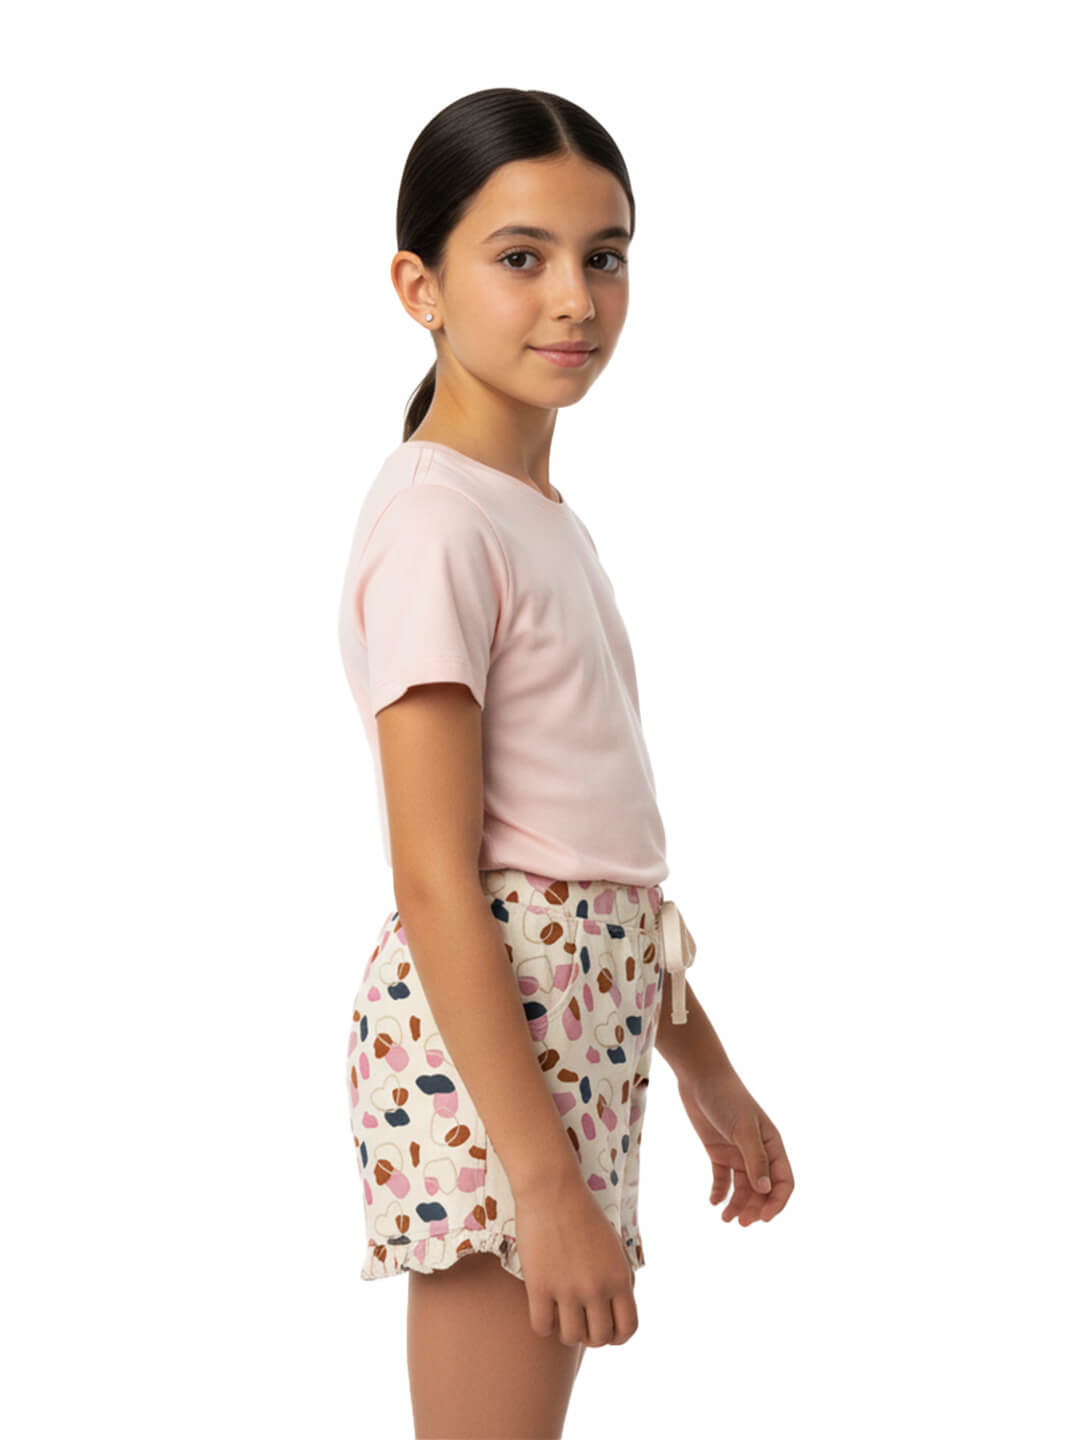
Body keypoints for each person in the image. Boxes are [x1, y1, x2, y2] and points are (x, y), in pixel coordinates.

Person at [338, 87, 795, 1439]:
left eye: (605, 255)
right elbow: (440, 880)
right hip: (496, 1047)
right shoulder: (436, 522)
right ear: (420, 287)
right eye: (520, 257)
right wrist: (541, 1183)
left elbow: (593, 855)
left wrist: (703, 1066)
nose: (575, 300)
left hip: (581, 1016)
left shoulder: (531, 512)